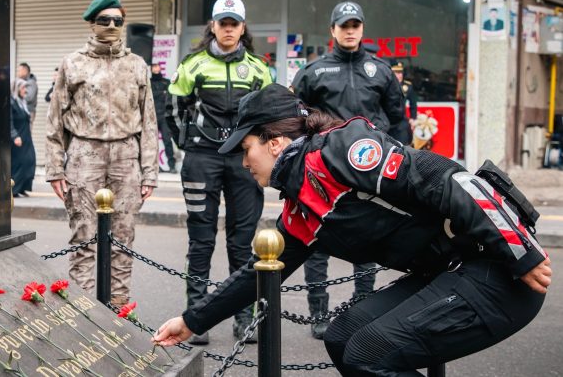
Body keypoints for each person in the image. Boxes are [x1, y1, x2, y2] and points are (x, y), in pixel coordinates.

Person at [153, 84, 551, 376]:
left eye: (247, 149)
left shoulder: (340, 150)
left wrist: (521, 251)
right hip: (448, 274)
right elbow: (257, 275)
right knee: (343, 336)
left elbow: (447, 178)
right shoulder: (299, 208)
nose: (243, 163)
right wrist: (190, 322)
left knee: (368, 353)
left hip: (497, 270)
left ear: (274, 142)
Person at [291, 0, 407, 339]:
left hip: (370, 167)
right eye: (344, 25)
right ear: (333, 30)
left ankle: (363, 306)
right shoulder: (313, 72)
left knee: (367, 237)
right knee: (320, 241)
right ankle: (318, 312)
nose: (350, 30)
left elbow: (398, 119)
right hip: (324, 168)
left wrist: (402, 161)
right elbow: (296, 119)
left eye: (355, 24)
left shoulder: (381, 70)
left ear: (362, 28)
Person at [166, 0, 272, 344]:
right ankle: (197, 319)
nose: (228, 28)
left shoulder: (259, 68)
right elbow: (172, 107)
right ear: (213, 25)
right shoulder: (193, 64)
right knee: (201, 240)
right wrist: (188, 144)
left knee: (243, 243)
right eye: (222, 22)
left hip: (244, 161)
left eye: (234, 23)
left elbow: (271, 115)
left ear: (243, 27)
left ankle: (245, 318)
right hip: (202, 159)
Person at [45, 0, 158, 308]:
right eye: (104, 20)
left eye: (117, 20)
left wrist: (149, 172)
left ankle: (119, 310)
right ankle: (84, 311)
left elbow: (149, 122)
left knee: (122, 238)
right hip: (85, 156)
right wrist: (55, 168)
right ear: (92, 23)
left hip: (126, 157)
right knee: (85, 238)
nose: (111, 25)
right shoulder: (73, 64)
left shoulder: (137, 66)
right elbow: (55, 121)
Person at [10, 79, 36, 197]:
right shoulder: (11, 102)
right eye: (23, 88)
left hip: (26, 138)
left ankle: (23, 187)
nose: (25, 91)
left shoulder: (22, 102)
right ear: (16, 89)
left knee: (30, 161)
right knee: (19, 163)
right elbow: (8, 122)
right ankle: (14, 189)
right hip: (17, 138)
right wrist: (14, 136)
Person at [150, 63, 176, 173]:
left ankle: (172, 166)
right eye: (153, 67)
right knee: (152, 143)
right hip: (152, 117)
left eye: (157, 66)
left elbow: (171, 98)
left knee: (167, 141)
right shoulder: (149, 83)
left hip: (164, 117)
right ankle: (154, 167)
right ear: (151, 69)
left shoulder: (166, 82)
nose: (156, 68)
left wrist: (169, 113)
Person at [387, 61, 419, 145]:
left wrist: (413, 118)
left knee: (403, 146)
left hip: (401, 122)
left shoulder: (407, 86)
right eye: (397, 73)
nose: (400, 75)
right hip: (387, 122)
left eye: (401, 72)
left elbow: (413, 103)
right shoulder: (384, 84)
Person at [17, 62, 38, 127]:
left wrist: (17, 97)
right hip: (22, 112)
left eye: (19, 70)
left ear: (25, 71)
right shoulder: (23, 82)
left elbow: (29, 97)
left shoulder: (31, 82)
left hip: (28, 112)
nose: (18, 72)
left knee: (25, 135)